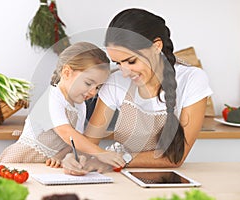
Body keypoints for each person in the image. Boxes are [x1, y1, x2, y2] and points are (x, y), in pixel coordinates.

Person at [61, 8, 213, 175]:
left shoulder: (192, 80)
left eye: (131, 61)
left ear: (157, 46)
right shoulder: (116, 81)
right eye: (118, 63)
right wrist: (75, 157)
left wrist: (118, 159)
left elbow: (175, 158)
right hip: (122, 179)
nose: (124, 72)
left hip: (167, 181)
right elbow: (89, 143)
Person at [0, 42, 125, 169]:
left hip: (44, 166)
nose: (93, 92)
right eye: (88, 83)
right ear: (67, 72)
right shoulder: (51, 98)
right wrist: (100, 153)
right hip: (21, 160)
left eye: (98, 87)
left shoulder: (80, 106)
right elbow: (66, 133)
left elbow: (74, 142)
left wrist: (59, 157)